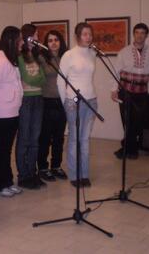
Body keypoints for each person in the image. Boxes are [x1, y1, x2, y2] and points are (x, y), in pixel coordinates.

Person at [111, 23, 149, 159]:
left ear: (146, 35)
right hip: (125, 91)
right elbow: (116, 72)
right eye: (137, 32)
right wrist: (113, 89)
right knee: (127, 121)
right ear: (134, 34)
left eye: (142, 33)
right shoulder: (124, 52)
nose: (139, 35)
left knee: (138, 121)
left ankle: (128, 148)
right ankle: (130, 150)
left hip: (142, 92)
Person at [58, 22, 98, 188]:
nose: (88, 37)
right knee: (74, 139)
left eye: (90, 34)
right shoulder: (69, 55)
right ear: (77, 36)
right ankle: (74, 175)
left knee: (85, 139)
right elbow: (61, 81)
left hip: (91, 101)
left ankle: (85, 174)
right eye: (84, 34)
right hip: (73, 101)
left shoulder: (93, 53)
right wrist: (65, 102)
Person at [0, 26, 24, 197]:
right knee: (1, 149)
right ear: (11, 40)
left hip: (11, 111)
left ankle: (7, 181)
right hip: (0, 113)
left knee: (6, 149)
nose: (22, 43)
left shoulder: (9, 59)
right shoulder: (0, 60)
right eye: (20, 40)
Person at [16, 24, 46, 189]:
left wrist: (34, 80)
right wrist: (34, 80)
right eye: (35, 35)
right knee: (24, 139)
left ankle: (32, 173)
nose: (37, 38)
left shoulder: (36, 55)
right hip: (25, 100)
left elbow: (42, 78)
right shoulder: (19, 56)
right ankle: (23, 175)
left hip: (38, 98)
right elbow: (27, 77)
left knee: (35, 139)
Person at [37, 30, 68, 182]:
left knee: (59, 137)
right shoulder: (42, 58)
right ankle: (43, 168)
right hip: (46, 102)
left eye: (56, 39)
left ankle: (56, 166)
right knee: (45, 137)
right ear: (46, 43)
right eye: (50, 40)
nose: (54, 43)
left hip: (62, 102)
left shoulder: (66, 57)